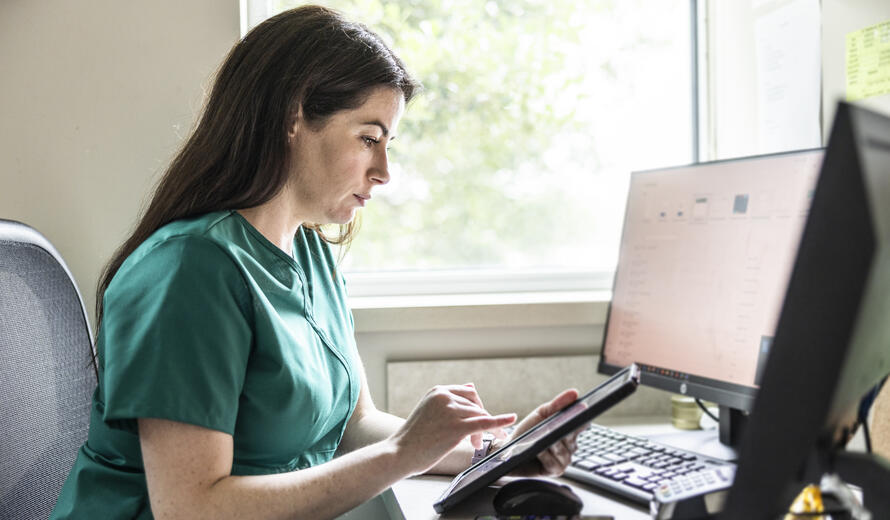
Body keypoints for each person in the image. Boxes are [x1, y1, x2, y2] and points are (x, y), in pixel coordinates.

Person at [51, 5, 583, 519]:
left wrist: (501, 454)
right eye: (369, 138)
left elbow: (357, 425)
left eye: (389, 143)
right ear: (293, 116)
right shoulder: (189, 271)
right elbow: (193, 509)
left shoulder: (310, 253)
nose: (384, 171)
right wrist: (402, 456)